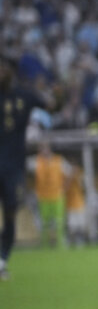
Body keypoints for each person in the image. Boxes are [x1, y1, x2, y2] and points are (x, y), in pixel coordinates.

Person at [0, 56, 57, 280]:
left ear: (11, 72)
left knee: (11, 213)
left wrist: (59, 94)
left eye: (4, 68)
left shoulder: (24, 95)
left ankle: (2, 260)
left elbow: (52, 106)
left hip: (13, 167)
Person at [31, 140, 68, 248]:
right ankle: (45, 244)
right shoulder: (35, 161)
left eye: (44, 148)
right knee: (44, 222)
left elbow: (70, 172)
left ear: (49, 149)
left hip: (57, 195)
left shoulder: (59, 160)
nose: (43, 151)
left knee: (59, 221)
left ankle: (60, 243)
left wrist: (65, 187)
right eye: (41, 149)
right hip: (43, 197)